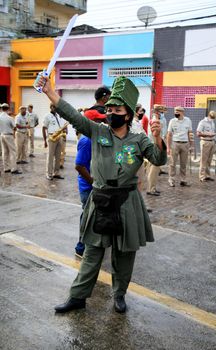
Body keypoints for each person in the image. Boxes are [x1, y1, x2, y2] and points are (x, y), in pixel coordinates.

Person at [36, 75, 166, 314]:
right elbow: (72, 115)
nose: (111, 112)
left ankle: (119, 295)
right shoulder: (98, 132)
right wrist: (50, 92)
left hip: (127, 202)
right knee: (92, 251)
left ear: (127, 114)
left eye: (117, 109)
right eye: (109, 108)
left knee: (124, 253)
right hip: (100, 200)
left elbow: (158, 159)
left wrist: (158, 137)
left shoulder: (139, 140)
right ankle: (77, 297)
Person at [74, 86, 111, 258]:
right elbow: (80, 166)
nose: (105, 124)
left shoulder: (101, 139)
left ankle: (95, 243)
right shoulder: (87, 140)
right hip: (88, 187)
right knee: (88, 216)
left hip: (98, 186)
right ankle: (81, 247)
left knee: (97, 216)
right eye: (102, 121)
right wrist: (93, 182)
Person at [167, 106, 193, 187]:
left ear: (182, 112)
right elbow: (169, 134)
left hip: (185, 144)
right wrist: (168, 147)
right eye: (175, 111)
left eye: (178, 112)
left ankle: (183, 180)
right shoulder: (172, 121)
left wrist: (192, 145)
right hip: (175, 144)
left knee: (183, 163)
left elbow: (190, 133)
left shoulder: (188, 120)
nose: (176, 113)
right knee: (172, 163)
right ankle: (171, 179)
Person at [146, 104, 167, 196]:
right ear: (157, 112)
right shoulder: (155, 120)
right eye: (161, 112)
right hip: (155, 143)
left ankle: (151, 187)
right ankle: (151, 189)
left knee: (152, 168)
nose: (162, 113)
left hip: (157, 142)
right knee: (154, 168)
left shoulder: (160, 119)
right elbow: (153, 134)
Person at [42, 104, 65, 180]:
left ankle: (56, 173)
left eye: (56, 107)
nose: (56, 108)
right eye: (54, 107)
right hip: (51, 137)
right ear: (51, 107)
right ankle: (49, 173)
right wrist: (45, 140)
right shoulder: (47, 116)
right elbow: (44, 128)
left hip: (59, 136)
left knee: (58, 156)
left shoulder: (58, 116)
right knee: (50, 156)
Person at [0, 103, 22, 174]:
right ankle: (13, 169)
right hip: (9, 135)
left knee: (5, 152)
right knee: (13, 152)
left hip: (2, 135)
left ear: (2, 108)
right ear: (8, 108)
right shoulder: (10, 118)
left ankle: (6, 168)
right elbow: (14, 127)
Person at [197, 110, 216, 182]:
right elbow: (198, 133)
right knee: (203, 160)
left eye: (213, 117)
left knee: (209, 160)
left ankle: (207, 175)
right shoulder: (202, 122)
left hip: (212, 142)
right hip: (205, 142)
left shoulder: (212, 122)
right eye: (211, 117)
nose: (212, 118)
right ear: (208, 115)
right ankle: (202, 177)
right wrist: (209, 135)